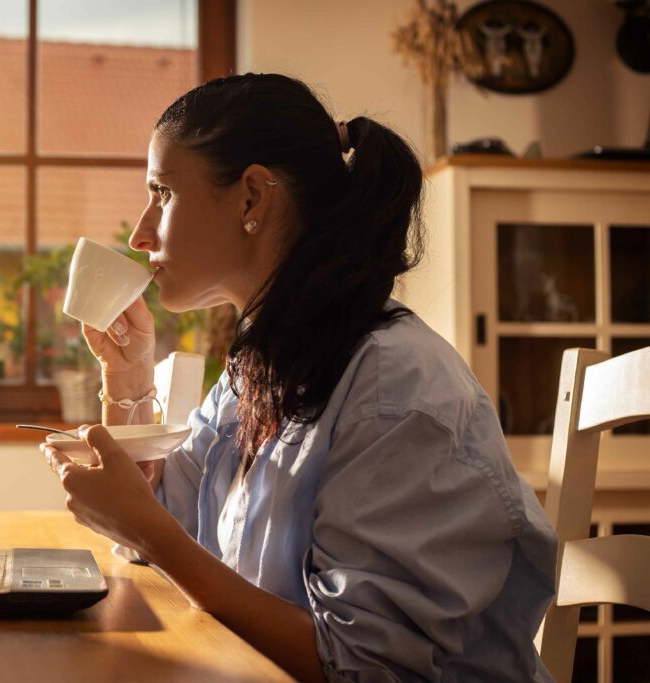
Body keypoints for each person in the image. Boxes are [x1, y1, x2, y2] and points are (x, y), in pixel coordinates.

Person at [41, 73, 557, 682]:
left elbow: (360, 669)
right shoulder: (258, 369)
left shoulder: (393, 390)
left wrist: (155, 539)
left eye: (163, 193)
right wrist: (127, 382)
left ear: (253, 198)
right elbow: (157, 524)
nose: (141, 233)